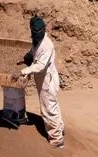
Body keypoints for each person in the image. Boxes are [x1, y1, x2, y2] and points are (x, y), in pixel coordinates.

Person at [14, 16, 65, 149]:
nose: (36, 34)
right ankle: (58, 129)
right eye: (34, 32)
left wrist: (23, 71)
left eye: (38, 32)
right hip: (41, 79)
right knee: (51, 106)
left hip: (47, 80)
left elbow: (40, 66)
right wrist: (26, 58)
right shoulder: (36, 40)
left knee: (48, 109)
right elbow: (33, 52)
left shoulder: (48, 45)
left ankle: (57, 140)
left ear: (43, 30)